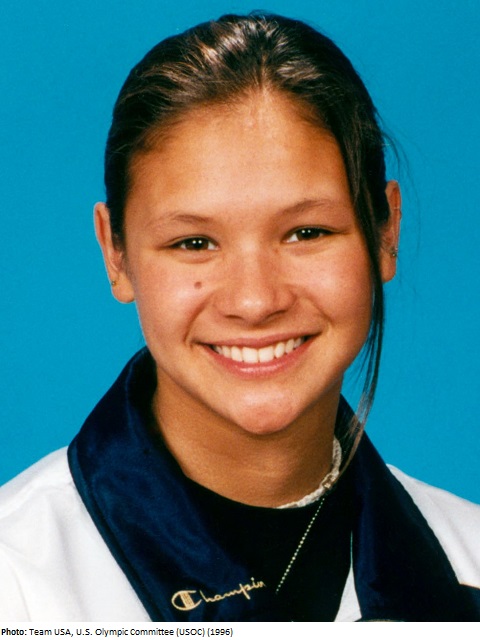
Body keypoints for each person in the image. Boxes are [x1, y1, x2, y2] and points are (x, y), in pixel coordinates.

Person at [0, 13, 479, 623]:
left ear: (386, 232)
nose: (255, 301)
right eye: (194, 242)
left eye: (306, 232)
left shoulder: (469, 556)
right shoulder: (16, 578)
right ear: (114, 253)